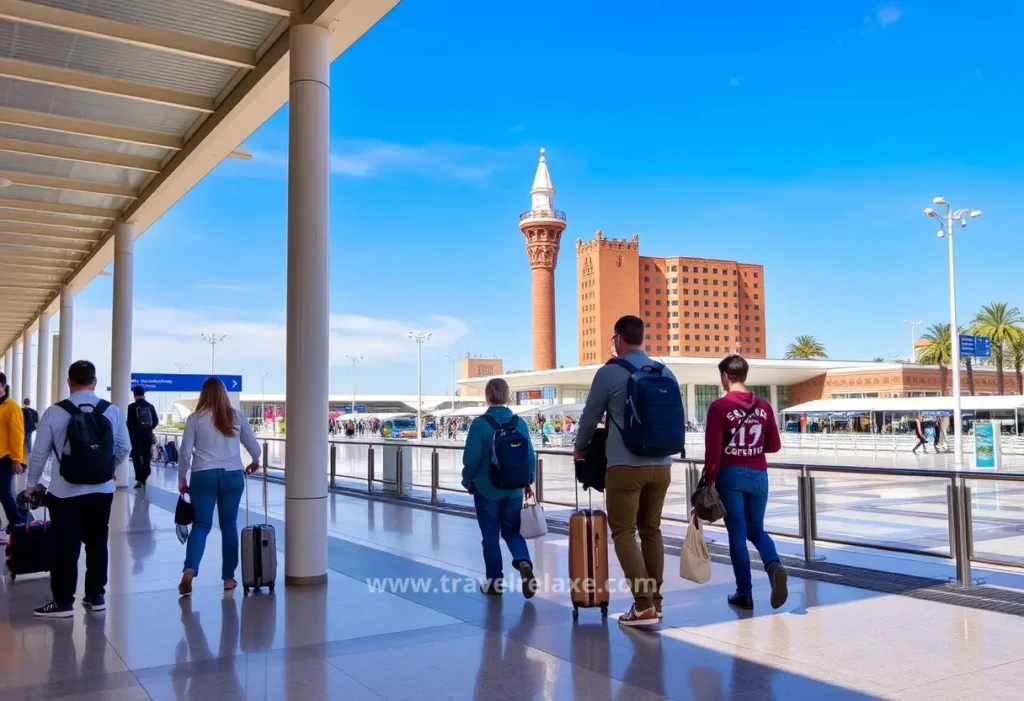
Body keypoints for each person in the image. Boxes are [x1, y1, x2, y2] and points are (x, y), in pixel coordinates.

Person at [574, 315, 676, 627]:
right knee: (651, 531)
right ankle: (655, 602)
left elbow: (590, 416)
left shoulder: (609, 373)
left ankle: (643, 604)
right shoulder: (664, 371)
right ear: (642, 337)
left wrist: (580, 447)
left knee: (623, 533)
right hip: (662, 466)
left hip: (625, 466)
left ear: (618, 339)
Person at [25, 360, 131, 617]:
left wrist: (31, 485)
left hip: (64, 492)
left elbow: (39, 454)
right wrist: (108, 467)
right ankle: (96, 597)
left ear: (69, 382)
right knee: (97, 542)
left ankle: (63, 602)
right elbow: (125, 447)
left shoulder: (55, 412)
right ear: (94, 382)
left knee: (65, 546)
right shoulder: (112, 411)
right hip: (102, 490)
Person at [703, 354, 787, 611]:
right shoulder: (763, 406)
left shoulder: (719, 407)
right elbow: (774, 445)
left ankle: (744, 593)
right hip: (759, 475)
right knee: (756, 530)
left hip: (731, 477)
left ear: (726, 377)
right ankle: (773, 565)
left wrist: (710, 482)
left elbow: (713, 451)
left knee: (737, 535)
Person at [177, 377, 261, 596]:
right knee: (229, 526)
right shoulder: (236, 416)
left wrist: (182, 478)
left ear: (203, 395)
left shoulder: (195, 419)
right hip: (232, 476)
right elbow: (253, 446)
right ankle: (228, 578)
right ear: (224, 394)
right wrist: (254, 460)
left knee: (202, 525)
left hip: (203, 476)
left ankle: (190, 570)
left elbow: (185, 453)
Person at [461, 378, 538, 598]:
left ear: (487, 396)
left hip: (487, 489)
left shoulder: (480, 424)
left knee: (490, 536)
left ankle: (494, 583)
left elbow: (471, 459)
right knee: (512, 530)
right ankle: (523, 562)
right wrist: (527, 481)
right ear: (507, 395)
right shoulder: (519, 422)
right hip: (513, 489)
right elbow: (530, 457)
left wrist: (468, 481)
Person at [0, 374, 26, 541]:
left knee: (4, 493)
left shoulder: (12, 407)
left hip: (4, 457)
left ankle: (17, 524)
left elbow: (18, 434)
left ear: (2, 385)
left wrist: (17, 459)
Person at [126, 386, 157, 489]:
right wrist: (149, 429)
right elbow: (156, 421)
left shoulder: (131, 407)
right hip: (147, 435)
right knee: (146, 455)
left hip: (136, 436)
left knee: (136, 457)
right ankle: (146, 474)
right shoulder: (150, 406)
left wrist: (133, 431)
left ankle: (140, 478)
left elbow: (128, 423)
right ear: (144, 394)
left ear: (134, 395)